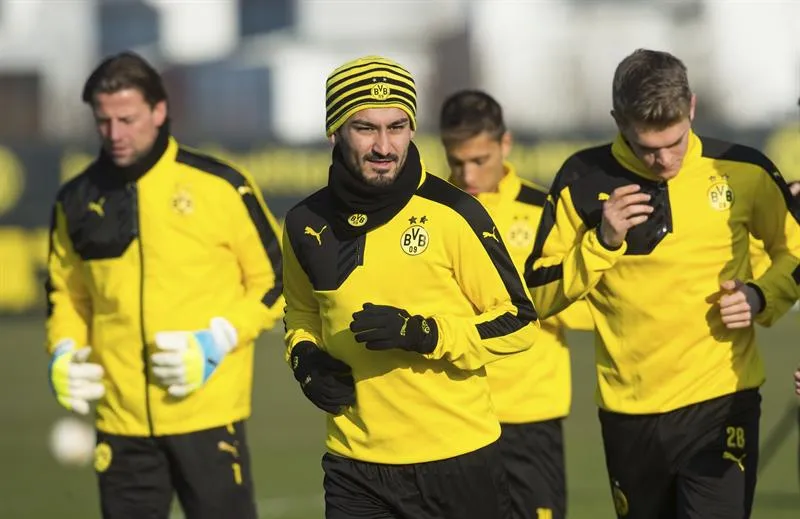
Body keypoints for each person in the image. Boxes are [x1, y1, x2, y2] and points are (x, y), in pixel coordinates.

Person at [524, 48, 800, 519]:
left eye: (674, 142)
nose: (663, 159)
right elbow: (537, 295)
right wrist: (602, 242)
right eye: (647, 147)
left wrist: (760, 296)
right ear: (617, 120)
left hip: (722, 400)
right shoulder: (580, 180)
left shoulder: (744, 168)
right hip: (629, 412)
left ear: (691, 107)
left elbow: (793, 251)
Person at [282, 55, 540, 519]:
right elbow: (301, 315)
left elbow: (519, 322)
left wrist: (427, 334)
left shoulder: (455, 212)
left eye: (397, 126)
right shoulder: (304, 223)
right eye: (365, 128)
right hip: (354, 465)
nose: (384, 145)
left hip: (458, 459)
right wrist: (304, 360)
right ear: (334, 132)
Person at [45, 51, 284, 519]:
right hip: (120, 424)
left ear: (158, 111)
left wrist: (219, 339)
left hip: (210, 416)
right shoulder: (74, 200)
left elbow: (277, 281)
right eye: (104, 121)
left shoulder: (222, 186)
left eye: (128, 119)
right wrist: (63, 351)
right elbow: (67, 295)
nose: (115, 134)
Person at [438, 89, 593, 519]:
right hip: (453, 414)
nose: (467, 174)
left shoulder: (546, 211)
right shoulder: (429, 212)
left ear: (505, 144)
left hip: (529, 417)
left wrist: (532, 301)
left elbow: (583, 303)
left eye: (479, 160)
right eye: (456, 161)